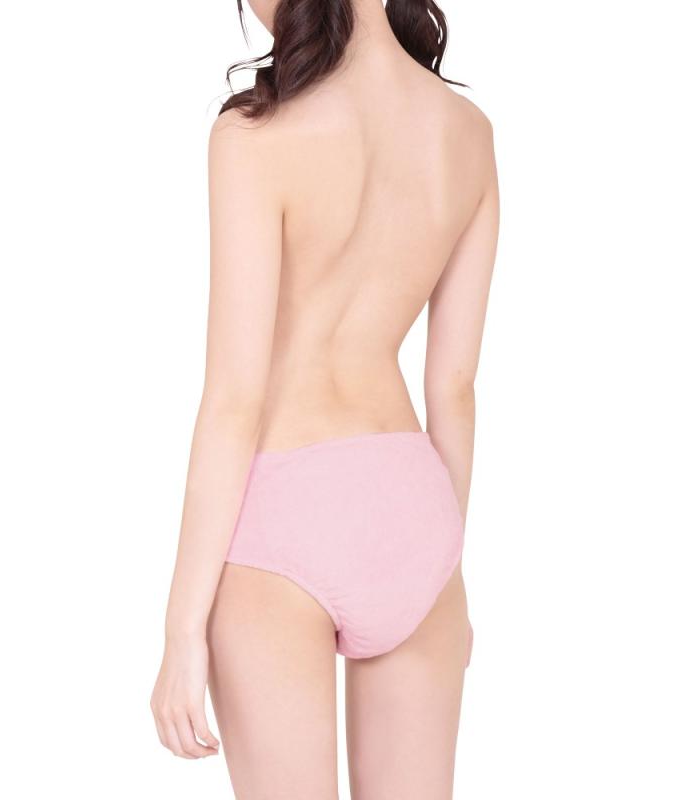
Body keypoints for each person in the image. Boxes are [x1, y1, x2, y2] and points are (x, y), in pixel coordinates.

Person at [150, 0, 499, 796]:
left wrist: (180, 630)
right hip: (414, 504)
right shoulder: (468, 134)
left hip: (285, 507)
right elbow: (453, 387)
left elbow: (234, 398)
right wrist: (441, 559)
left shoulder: (255, 134)